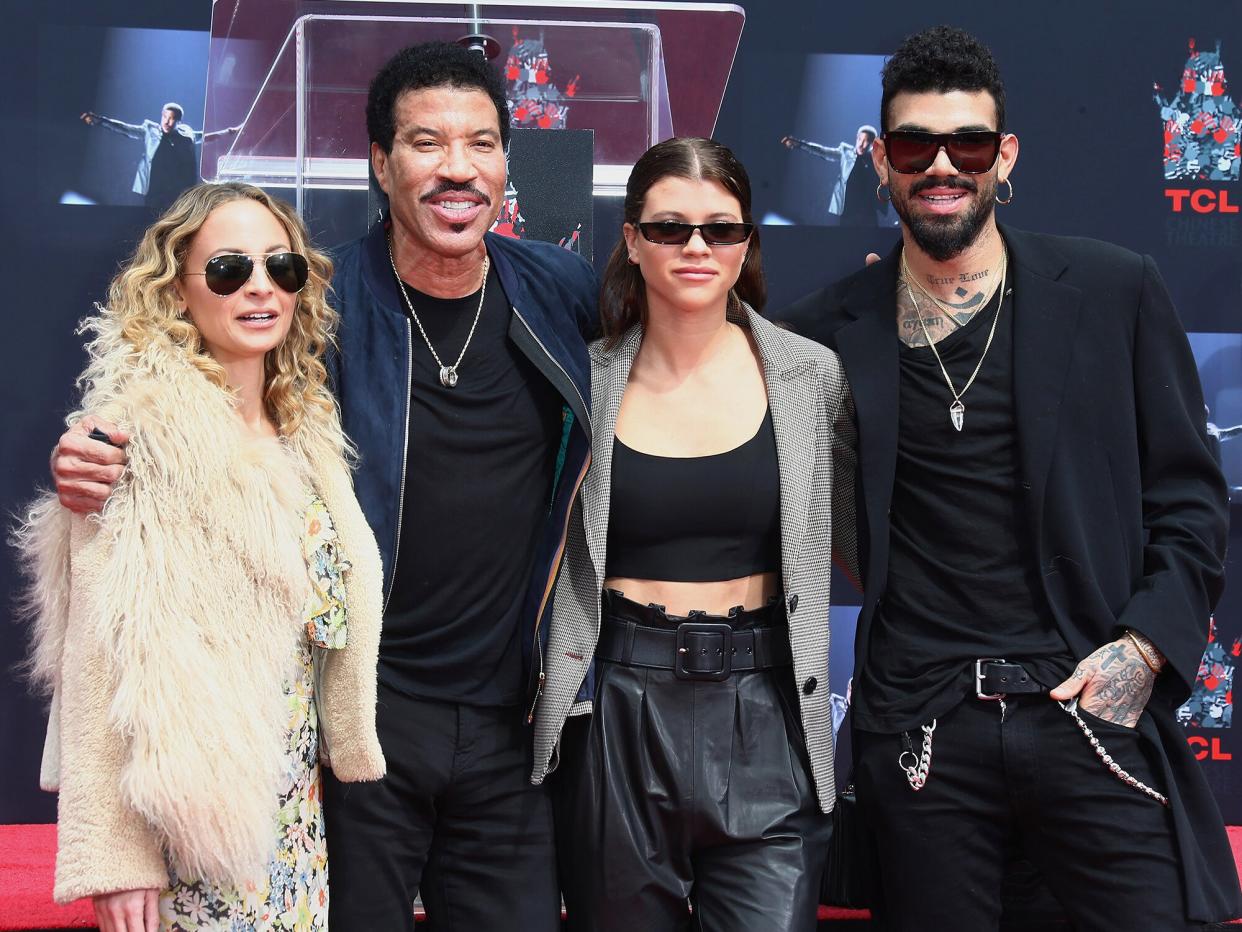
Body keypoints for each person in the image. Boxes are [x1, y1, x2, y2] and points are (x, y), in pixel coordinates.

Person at [54, 42, 597, 931]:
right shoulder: (317, 301)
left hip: (512, 726)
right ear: (380, 163)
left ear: (508, 160)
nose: (457, 169)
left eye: (482, 143)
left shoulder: (561, 289)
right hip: (358, 728)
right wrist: (92, 451)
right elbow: (194, 397)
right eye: (426, 143)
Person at [778, 25, 1241, 930]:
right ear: (879, 159)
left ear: (1006, 154)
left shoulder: (1113, 292)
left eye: (969, 144)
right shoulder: (821, 336)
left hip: (1089, 716)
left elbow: (1191, 498)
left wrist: (1144, 651)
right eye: (915, 144)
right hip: (922, 738)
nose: (941, 166)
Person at [16, 181, 386, 931]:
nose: (260, 286)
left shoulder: (306, 430)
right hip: (189, 826)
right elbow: (97, 662)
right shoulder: (134, 437)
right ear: (178, 290)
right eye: (228, 269)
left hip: (290, 821)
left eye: (281, 267)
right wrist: (118, 855)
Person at [530, 137, 858, 932]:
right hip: (615, 707)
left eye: (721, 228)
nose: (697, 246)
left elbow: (865, 539)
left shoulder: (812, 376)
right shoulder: (581, 376)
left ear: (747, 245)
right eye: (671, 228)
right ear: (633, 241)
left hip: (768, 710)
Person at [80, 104, 240, 210]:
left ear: (178, 121)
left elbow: (205, 137)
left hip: (176, 189)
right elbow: (124, 129)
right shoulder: (150, 130)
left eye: (172, 119)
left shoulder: (186, 135)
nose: (168, 122)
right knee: (150, 219)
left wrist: (228, 132)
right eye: (165, 117)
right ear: (161, 116)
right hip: (154, 187)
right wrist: (99, 121)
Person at [781, 125, 882, 226]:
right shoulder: (846, 152)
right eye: (860, 139)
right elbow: (823, 151)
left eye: (866, 141)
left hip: (866, 211)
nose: (861, 144)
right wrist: (800, 144)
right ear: (857, 138)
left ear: (872, 143)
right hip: (847, 209)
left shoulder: (876, 160)